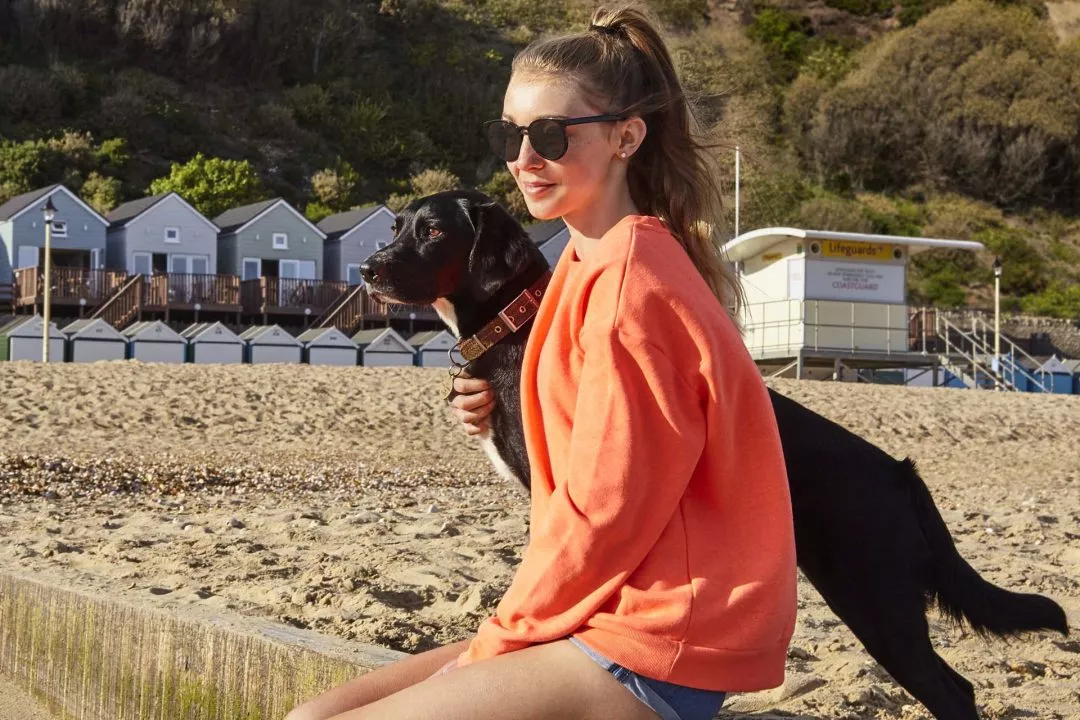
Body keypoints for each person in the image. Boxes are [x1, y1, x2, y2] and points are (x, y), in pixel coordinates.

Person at [285, 5, 796, 719]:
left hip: (651, 639)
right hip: (602, 610)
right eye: (511, 136)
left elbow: (606, 514)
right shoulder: (587, 262)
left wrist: (499, 640)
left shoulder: (630, 282)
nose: (525, 160)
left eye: (552, 136)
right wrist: (502, 413)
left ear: (626, 137)